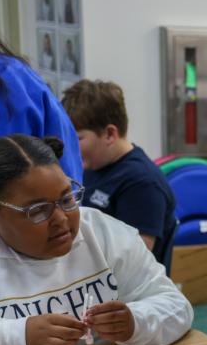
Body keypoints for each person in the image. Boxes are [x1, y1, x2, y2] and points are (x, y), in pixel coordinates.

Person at [0, 134, 193, 345]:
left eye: (67, 199)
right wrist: (18, 337)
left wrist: (134, 322)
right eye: (38, 211)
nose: (62, 219)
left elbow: (177, 307)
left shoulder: (101, 232)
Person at [0, 0, 83, 215]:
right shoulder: (16, 80)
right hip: (22, 236)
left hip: (16, 236)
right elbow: (68, 185)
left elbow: (65, 184)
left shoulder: (15, 82)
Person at [62, 80, 177, 266]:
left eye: (78, 138)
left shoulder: (142, 183)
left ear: (109, 134)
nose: (70, 146)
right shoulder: (94, 166)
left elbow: (134, 261)